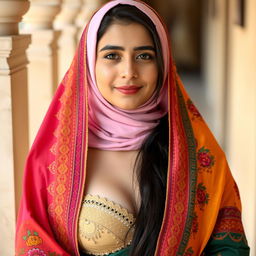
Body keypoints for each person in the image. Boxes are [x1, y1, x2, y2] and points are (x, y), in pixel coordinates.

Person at [15, 1, 250, 255]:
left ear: (163, 64)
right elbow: (34, 244)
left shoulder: (201, 155)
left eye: (144, 56)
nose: (129, 71)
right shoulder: (52, 160)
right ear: (88, 64)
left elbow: (228, 245)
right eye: (112, 56)